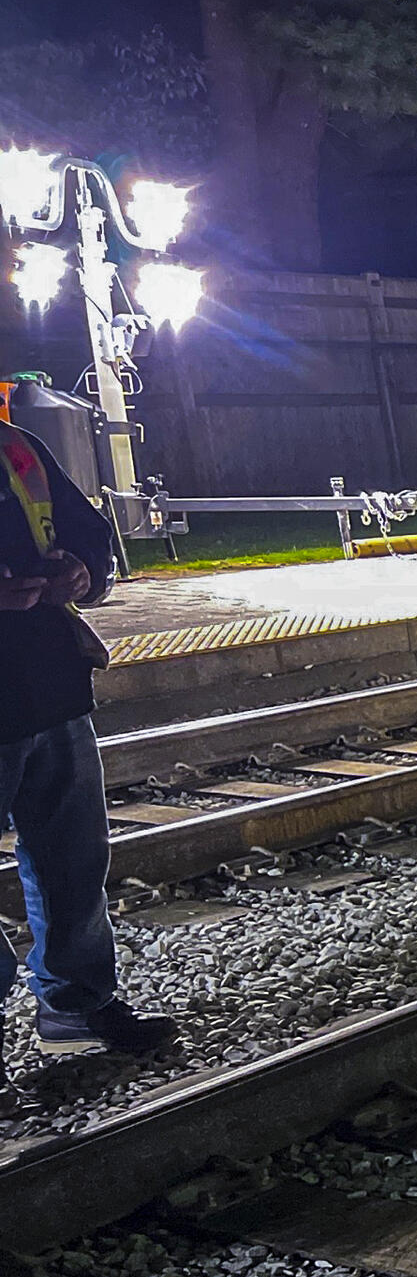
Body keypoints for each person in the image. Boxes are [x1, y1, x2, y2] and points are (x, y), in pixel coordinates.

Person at [1, 420, 171, 1062]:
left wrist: (83, 574)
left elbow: (87, 533)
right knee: (66, 864)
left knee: (72, 864)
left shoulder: (13, 447)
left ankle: (78, 1002)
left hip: (51, 692)